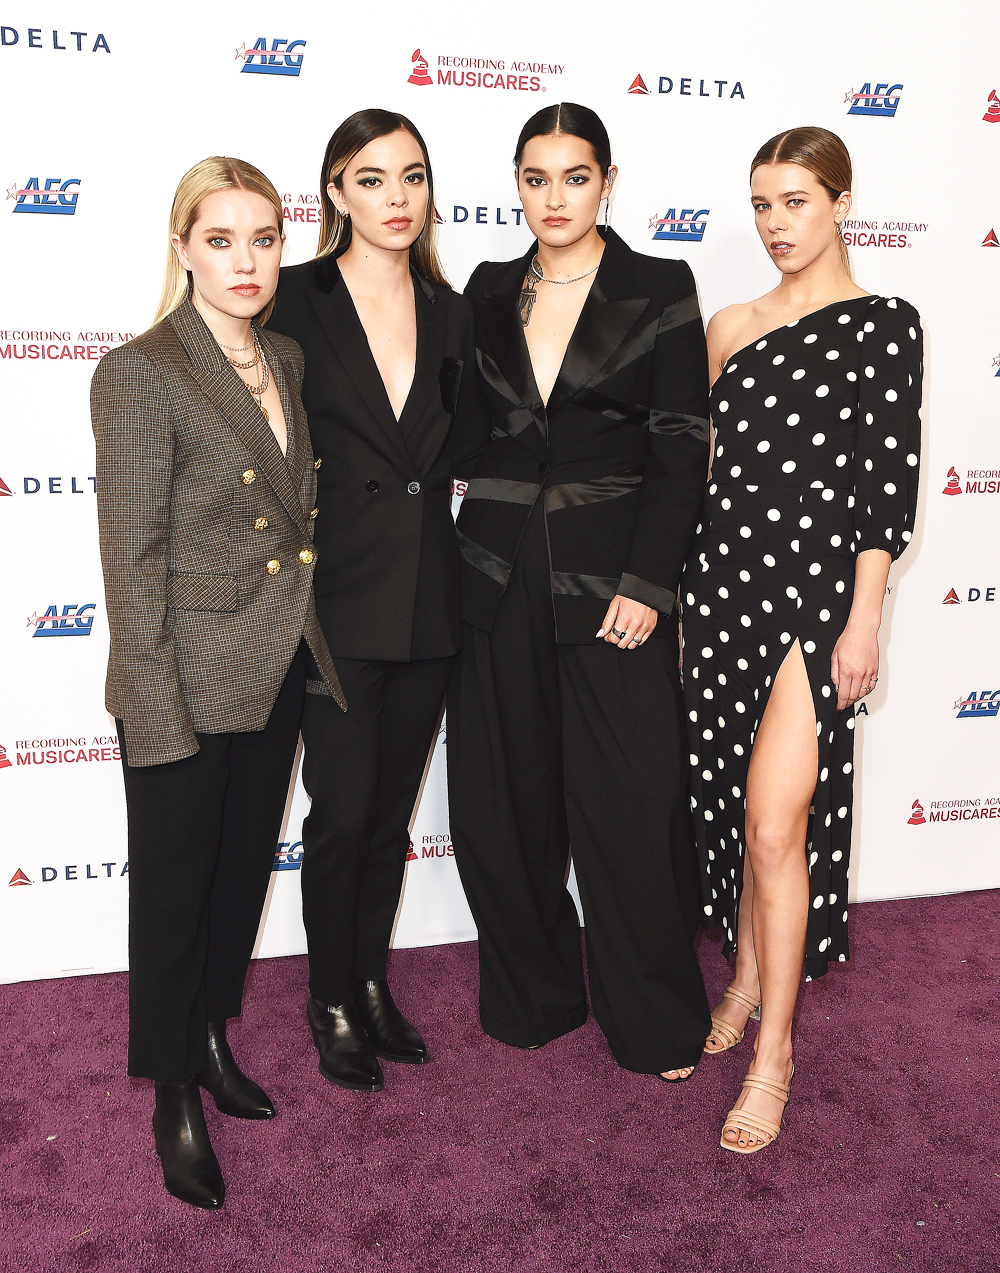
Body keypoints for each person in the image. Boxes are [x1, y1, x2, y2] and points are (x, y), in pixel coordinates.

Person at [91, 157, 343, 1209]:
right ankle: (172, 1093)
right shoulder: (141, 371)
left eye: (263, 239)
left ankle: (208, 1035)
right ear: (183, 245)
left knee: (239, 877)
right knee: (173, 896)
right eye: (222, 239)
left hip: (276, 661)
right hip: (184, 683)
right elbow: (132, 563)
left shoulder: (283, 355)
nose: (246, 261)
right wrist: (151, 714)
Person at [447, 103, 712, 1080]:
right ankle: (535, 996)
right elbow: (459, 428)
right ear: (515, 184)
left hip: (614, 584)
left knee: (630, 807)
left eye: (573, 176)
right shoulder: (484, 289)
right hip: (495, 571)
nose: (552, 197)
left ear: (606, 181)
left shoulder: (657, 284)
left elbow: (682, 448)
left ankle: (652, 1021)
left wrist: (648, 581)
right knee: (502, 804)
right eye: (534, 177)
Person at [682, 126, 922, 1153]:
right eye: (762, 204)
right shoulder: (730, 323)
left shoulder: (884, 324)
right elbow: (700, 475)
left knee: (778, 824)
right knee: (739, 807)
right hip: (721, 586)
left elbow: (884, 484)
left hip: (815, 600)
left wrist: (864, 615)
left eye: (796, 200)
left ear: (840, 201)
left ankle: (773, 1050)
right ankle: (740, 971)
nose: (777, 223)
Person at [268, 110, 484, 1092]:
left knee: (388, 809)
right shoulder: (293, 299)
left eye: (412, 175)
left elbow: (472, 444)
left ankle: (368, 981)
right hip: (334, 596)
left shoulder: (453, 310)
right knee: (342, 812)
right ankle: (329, 996)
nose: (395, 198)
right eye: (371, 179)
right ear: (334, 194)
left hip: (429, 597)